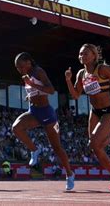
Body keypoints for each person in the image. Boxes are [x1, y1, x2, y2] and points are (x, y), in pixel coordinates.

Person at [65, 44, 110, 191]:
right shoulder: (81, 74)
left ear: (94, 55)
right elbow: (75, 95)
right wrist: (68, 80)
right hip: (95, 112)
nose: (82, 56)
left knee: (95, 145)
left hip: (109, 112)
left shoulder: (102, 69)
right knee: (93, 146)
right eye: (80, 54)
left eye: (86, 54)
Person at [12, 52, 75, 191]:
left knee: (57, 148)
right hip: (33, 112)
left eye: (22, 66)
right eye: (18, 68)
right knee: (16, 128)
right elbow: (33, 90)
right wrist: (29, 95)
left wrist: (33, 85)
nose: (20, 70)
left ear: (29, 62)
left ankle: (69, 174)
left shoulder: (38, 71)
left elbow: (51, 90)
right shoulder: (25, 76)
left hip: (46, 113)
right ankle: (35, 150)